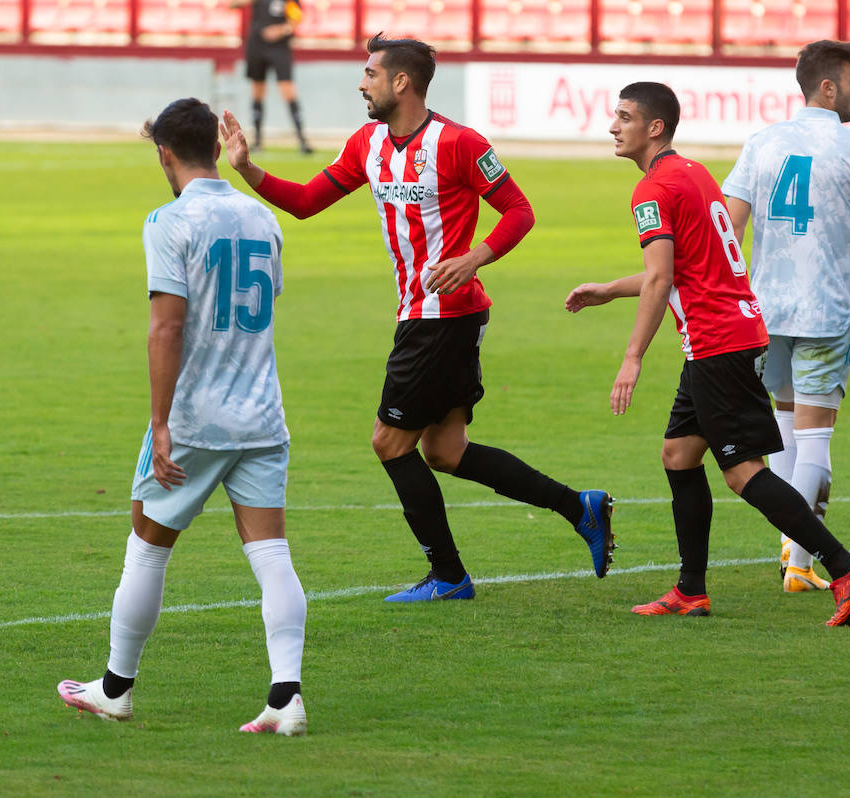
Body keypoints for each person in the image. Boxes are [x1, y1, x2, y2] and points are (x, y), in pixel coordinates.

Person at [220, 33, 614, 603]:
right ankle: (578, 506)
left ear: (401, 82)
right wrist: (249, 169)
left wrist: (475, 256)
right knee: (445, 451)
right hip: (425, 314)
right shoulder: (367, 143)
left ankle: (450, 575)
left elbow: (519, 211)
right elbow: (307, 202)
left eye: (370, 74)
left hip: (443, 316)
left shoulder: (458, 143)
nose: (362, 83)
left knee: (389, 442)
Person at [563, 81, 850, 626]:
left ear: (654, 127)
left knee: (741, 470)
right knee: (679, 456)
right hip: (730, 333)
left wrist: (632, 356)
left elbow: (663, 279)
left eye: (624, 116)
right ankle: (691, 590)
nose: (613, 125)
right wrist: (609, 289)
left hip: (718, 342)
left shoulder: (652, 191)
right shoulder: (692, 174)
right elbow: (688, 268)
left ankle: (845, 568)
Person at [58, 98, 307, 735]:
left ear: (165, 153)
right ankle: (286, 699)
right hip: (261, 415)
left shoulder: (169, 221)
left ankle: (115, 689)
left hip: (196, 417)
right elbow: (265, 301)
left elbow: (167, 327)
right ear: (217, 149)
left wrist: (161, 422)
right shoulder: (262, 216)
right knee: (272, 553)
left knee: (146, 548)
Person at [722, 40, 850, 593]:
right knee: (816, 438)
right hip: (825, 311)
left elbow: (730, 227)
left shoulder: (762, 142)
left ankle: (788, 545)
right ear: (827, 87)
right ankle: (800, 564)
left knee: (784, 424)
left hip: (763, 310)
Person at [228, 0, 312, 154]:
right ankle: (257, 141)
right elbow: (232, 4)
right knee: (257, 91)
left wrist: (282, 29)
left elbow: (296, 17)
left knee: (288, 90)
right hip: (257, 45)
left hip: (280, 47)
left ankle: (302, 140)